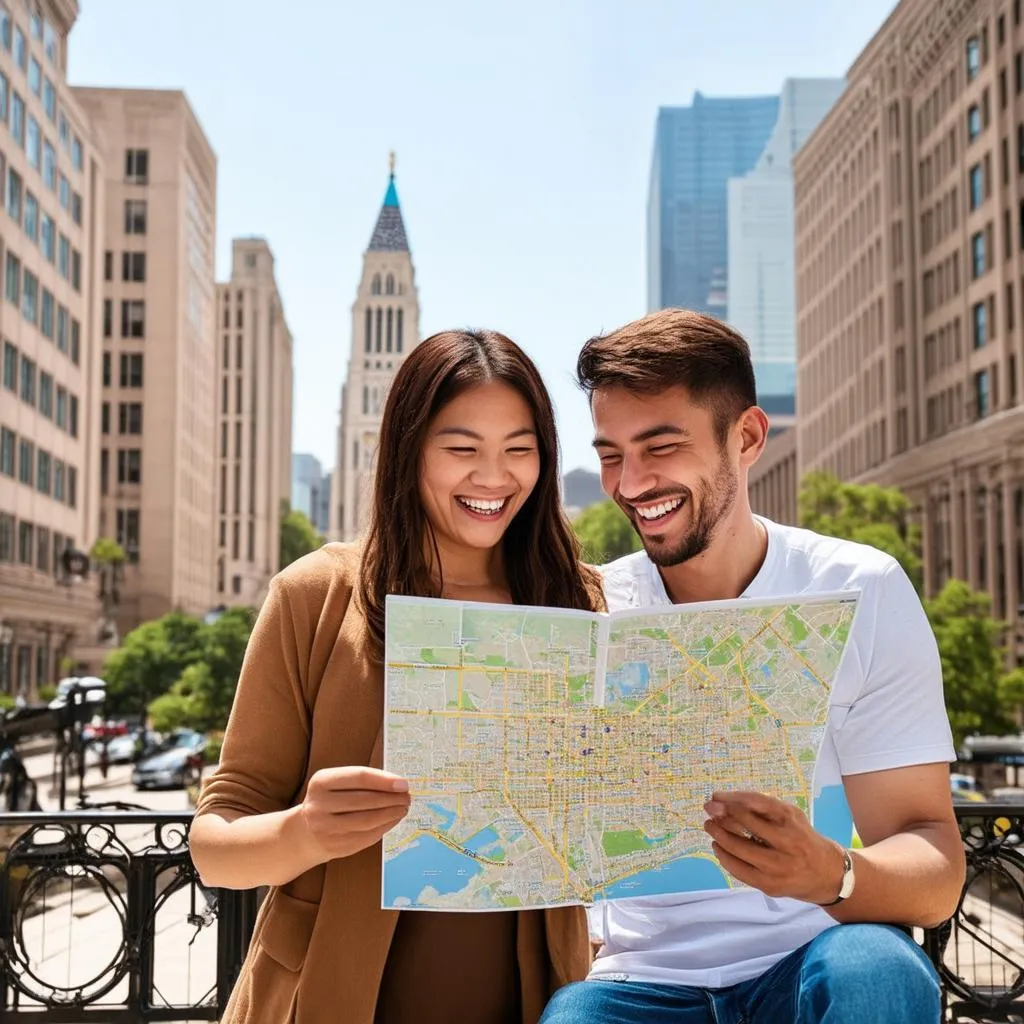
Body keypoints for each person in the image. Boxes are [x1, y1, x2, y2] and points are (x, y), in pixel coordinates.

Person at [540, 309, 966, 1024]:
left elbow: (936, 872)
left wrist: (829, 872)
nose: (630, 482)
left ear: (746, 438)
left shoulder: (861, 588)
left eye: (660, 446)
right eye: (611, 453)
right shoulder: (587, 610)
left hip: (814, 957)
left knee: (877, 971)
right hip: (639, 982)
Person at [189, 328, 602, 1024]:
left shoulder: (581, 604)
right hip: (329, 995)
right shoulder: (315, 594)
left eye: (519, 450)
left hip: (536, 998)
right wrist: (306, 833)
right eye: (462, 449)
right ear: (409, 451)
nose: (493, 477)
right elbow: (215, 845)